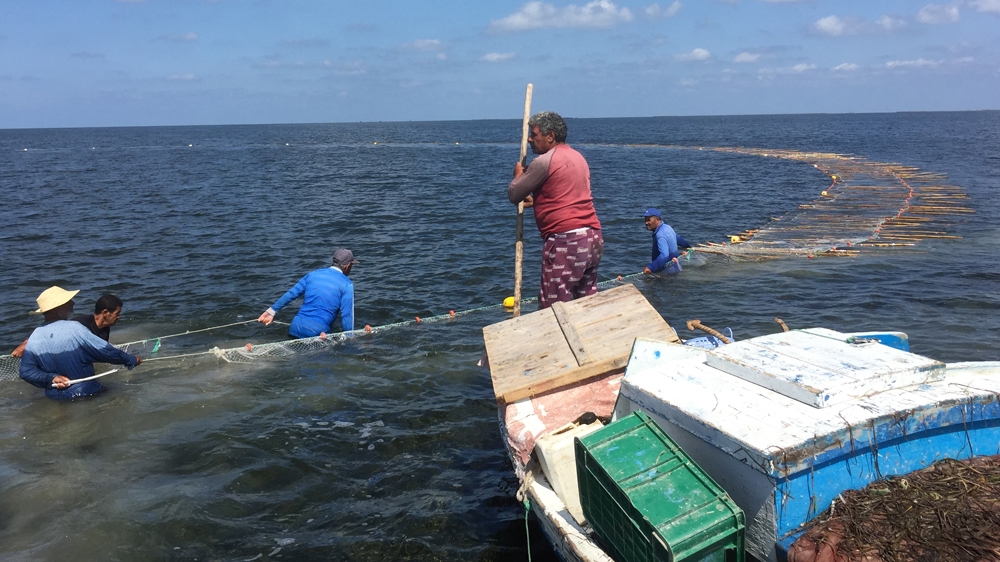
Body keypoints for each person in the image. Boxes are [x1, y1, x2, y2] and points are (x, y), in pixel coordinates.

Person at [507, 111, 603, 309]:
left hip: (566, 241)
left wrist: (518, 176)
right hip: (592, 237)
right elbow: (568, 195)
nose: (529, 139)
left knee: (553, 306)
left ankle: (555, 340)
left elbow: (514, 194)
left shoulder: (543, 162)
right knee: (587, 300)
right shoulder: (577, 157)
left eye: (534, 135)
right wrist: (539, 202)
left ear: (550, 136)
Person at [19, 286, 142, 401]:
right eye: (68, 301)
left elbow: (26, 372)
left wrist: (51, 378)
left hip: (54, 397)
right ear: (57, 308)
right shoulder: (75, 328)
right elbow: (106, 352)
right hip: (87, 393)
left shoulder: (35, 335)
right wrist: (131, 359)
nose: (73, 303)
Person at [258, 248, 358, 338]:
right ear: (348, 266)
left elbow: (291, 294)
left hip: (295, 326)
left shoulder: (313, 274)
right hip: (318, 333)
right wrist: (349, 338)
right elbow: (347, 316)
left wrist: (271, 312)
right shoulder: (347, 284)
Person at [11, 293, 124, 357]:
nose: (119, 317)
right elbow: (48, 333)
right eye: (117, 313)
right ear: (105, 313)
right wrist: (25, 344)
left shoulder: (105, 329)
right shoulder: (79, 324)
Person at [642, 208, 691, 274]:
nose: (646, 223)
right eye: (645, 220)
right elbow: (678, 239)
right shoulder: (667, 227)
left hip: (667, 273)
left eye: (648, 220)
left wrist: (650, 267)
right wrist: (688, 246)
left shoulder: (660, 235)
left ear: (657, 219)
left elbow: (664, 255)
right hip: (677, 267)